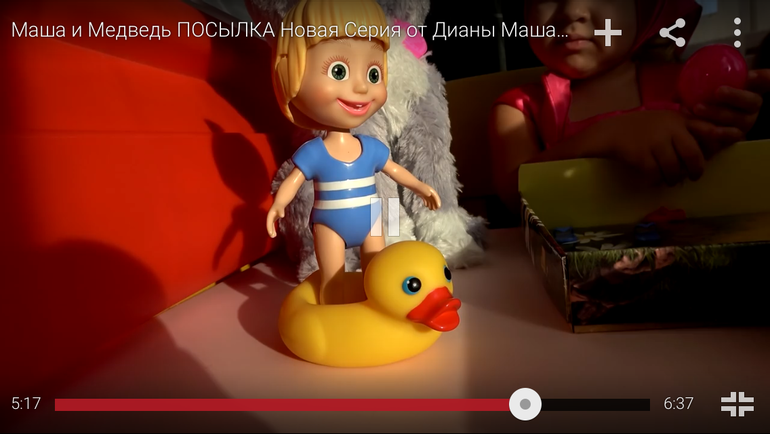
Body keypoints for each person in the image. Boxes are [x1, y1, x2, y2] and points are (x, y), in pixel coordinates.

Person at [489, 0, 770, 213]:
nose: (572, 12)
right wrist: (607, 136)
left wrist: (729, 132)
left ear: (644, 10)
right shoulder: (519, 108)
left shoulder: (688, 83)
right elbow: (514, 195)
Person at [266, 0, 441, 302]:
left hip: (371, 218)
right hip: (329, 223)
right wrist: (279, 205)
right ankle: (333, 311)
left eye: (373, 74)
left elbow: (395, 171)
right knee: (332, 281)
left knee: (378, 277)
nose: (361, 87)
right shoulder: (315, 152)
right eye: (339, 71)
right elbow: (294, 180)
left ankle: (377, 306)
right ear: (292, 75)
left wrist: (421, 187)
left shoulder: (370, 147)